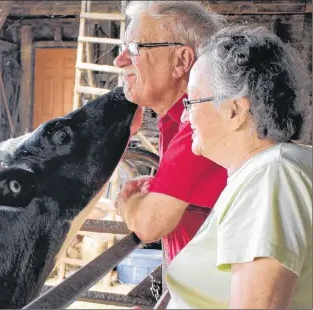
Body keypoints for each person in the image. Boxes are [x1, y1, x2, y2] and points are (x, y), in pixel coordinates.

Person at [167, 25, 312, 309]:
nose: (185, 117)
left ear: (234, 110)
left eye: (191, 102)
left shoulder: (272, 177)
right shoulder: (273, 168)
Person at [114, 1, 228, 263]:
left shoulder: (199, 124)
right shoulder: (176, 120)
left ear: (181, 61)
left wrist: (127, 204)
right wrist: (156, 189)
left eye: (134, 48)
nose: (120, 61)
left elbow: (148, 225)